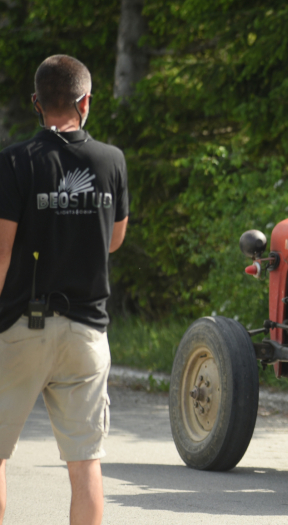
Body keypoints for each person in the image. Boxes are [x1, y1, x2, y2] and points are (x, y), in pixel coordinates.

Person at [0, 55, 129, 525]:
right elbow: (114, 239)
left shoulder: (14, 162)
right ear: (85, 102)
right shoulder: (111, 160)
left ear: (36, 103)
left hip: (20, 327)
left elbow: (2, 253)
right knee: (85, 464)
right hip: (86, 332)